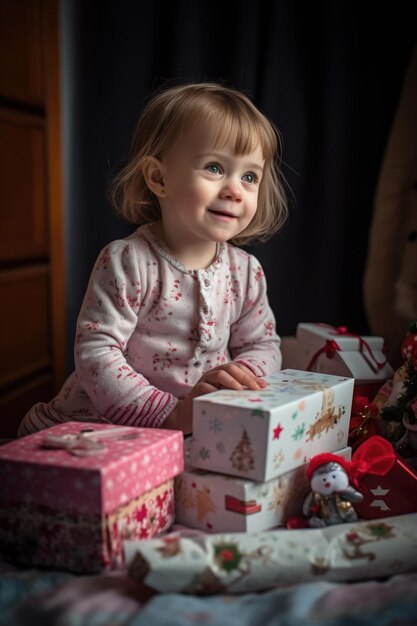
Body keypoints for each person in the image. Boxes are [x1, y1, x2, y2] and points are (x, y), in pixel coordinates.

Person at [18, 82, 288, 437]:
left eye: (249, 176)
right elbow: (97, 352)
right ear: (159, 178)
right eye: (214, 168)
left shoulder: (246, 272)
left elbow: (262, 344)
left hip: (197, 423)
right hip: (109, 423)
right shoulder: (128, 260)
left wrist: (236, 382)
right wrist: (169, 414)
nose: (235, 190)